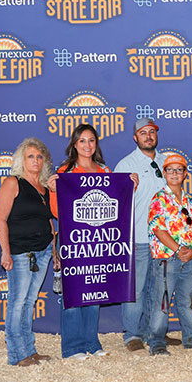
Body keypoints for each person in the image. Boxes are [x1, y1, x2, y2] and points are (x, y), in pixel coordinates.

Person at [48, 124, 129, 360]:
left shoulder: (105, 171)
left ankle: (91, 342)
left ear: (96, 144)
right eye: (82, 141)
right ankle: (72, 347)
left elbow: (117, 204)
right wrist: (53, 191)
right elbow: (56, 212)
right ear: (74, 144)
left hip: (99, 240)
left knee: (94, 290)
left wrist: (129, 184)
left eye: (91, 140)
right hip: (74, 240)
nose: (87, 145)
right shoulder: (65, 172)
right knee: (74, 292)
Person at [0, 138, 57, 366]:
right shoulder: (13, 182)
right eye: (30, 156)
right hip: (20, 252)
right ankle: (17, 355)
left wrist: (54, 250)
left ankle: (29, 350)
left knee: (29, 301)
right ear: (21, 160)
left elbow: (49, 220)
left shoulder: (44, 188)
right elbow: (0, 219)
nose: (36, 160)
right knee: (18, 302)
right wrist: (5, 252)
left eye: (39, 157)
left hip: (43, 251)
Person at [113, 118, 170, 352]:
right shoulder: (126, 164)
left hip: (164, 239)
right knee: (135, 290)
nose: (148, 136)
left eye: (152, 132)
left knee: (160, 290)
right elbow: (116, 203)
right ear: (135, 138)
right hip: (137, 237)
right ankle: (132, 334)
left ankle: (155, 333)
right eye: (143, 133)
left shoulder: (167, 162)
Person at [147, 154, 192, 355]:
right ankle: (157, 342)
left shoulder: (190, 200)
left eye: (179, 170)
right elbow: (158, 229)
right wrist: (179, 250)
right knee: (162, 302)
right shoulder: (159, 199)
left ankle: (191, 339)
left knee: (185, 301)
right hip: (167, 258)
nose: (174, 173)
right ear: (164, 173)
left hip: (188, 258)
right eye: (170, 170)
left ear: (185, 174)